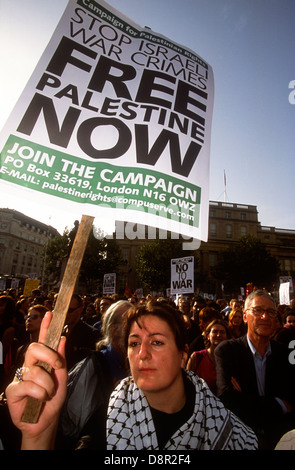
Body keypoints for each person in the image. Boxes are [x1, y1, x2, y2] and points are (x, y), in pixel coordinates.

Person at [106, 302, 258, 450]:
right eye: (134, 343)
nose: (142, 353)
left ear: (183, 356)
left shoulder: (224, 425)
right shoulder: (104, 420)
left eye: (157, 342)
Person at [215, 289, 295, 449]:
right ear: (245, 316)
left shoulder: (286, 354)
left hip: (281, 440)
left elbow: (293, 400)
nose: (265, 317)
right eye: (258, 310)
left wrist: (244, 398)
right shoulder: (227, 351)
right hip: (240, 440)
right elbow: (228, 399)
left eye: (271, 312)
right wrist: (279, 404)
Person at [56, 300, 132, 449]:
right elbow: (73, 420)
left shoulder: (138, 364)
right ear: (114, 329)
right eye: (129, 321)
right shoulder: (95, 364)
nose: (136, 328)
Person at [186, 319, 230, 395]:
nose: (218, 335)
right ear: (208, 336)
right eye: (215, 331)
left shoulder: (232, 359)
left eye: (222, 332)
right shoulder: (196, 357)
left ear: (227, 337)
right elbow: (186, 385)